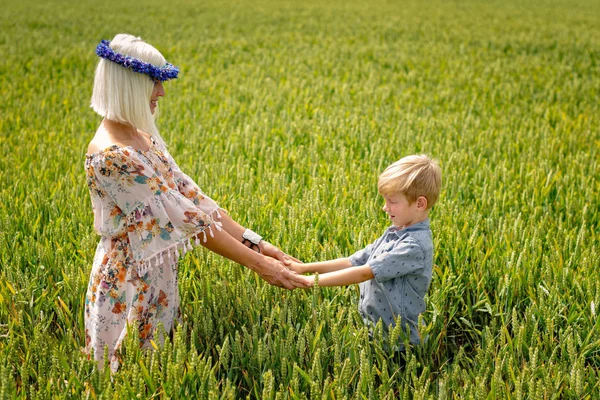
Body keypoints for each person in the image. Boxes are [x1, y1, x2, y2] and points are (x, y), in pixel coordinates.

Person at [84, 33, 309, 370]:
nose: (161, 91)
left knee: (156, 373)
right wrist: (259, 264)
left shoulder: (141, 136)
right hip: (127, 284)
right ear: (128, 84)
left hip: (156, 276)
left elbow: (194, 200)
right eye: (154, 81)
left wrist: (259, 245)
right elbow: (187, 222)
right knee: (126, 375)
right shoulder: (113, 156)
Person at [286, 154, 441, 348]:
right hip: (377, 335)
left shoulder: (414, 246)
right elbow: (353, 261)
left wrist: (310, 282)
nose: (385, 207)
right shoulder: (394, 233)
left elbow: (363, 272)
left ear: (420, 204)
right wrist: (303, 268)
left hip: (402, 344)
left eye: (392, 201)